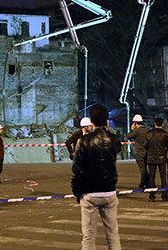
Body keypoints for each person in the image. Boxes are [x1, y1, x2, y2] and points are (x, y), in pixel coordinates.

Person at [71, 103, 122, 250]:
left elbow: (77, 169)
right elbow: (116, 148)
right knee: (113, 235)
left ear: (91, 121)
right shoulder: (114, 140)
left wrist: (76, 191)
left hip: (90, 193)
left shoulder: (84, 141)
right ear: (107, 121)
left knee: (88, 237)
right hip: (109, 192)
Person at [144, 117, 168, 202]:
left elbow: (146, 145)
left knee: (151, 177)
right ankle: (165, 196)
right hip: (161, 157)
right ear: (162, 124)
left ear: (155, 124)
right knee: (163, 177)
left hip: (151, 157)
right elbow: (167, 144)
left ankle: (152, 196)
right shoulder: (165, 134)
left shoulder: (149, 133)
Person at [127, 114, 149, 189]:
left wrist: (132, 129)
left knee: (142, 170)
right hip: (147, 152)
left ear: (135, 123)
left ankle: (142, 184)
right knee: (145, 168)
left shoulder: (137, 131)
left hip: (140, 152)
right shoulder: (147, 129)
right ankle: (147, 183)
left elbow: (128, 136)